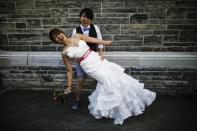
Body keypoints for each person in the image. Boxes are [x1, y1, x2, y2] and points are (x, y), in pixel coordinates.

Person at [49, 28, 156, 125]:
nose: (58, 37)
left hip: (95, 58)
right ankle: (117, 110)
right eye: (56, 38)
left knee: (115, 77)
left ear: (61, 32)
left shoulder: (77, 35)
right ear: (56, 42)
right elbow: (69, 70)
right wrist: (68, 86)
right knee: (108, 81)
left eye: (58, 34)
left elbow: (92, 39)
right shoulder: (64, 52)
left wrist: (105, 42)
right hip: (88, 66)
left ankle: (128, 104)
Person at [71, 8, 104, 110]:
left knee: (96, 79)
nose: (85, 19)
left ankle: (98, 99)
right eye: (83, 16)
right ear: (80, 17)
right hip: (80, 60)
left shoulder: (95, 28)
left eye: (88, 17)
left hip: (93, 58)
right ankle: (76, 100)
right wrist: (75, 58)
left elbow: (100, 41)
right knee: (80, 80)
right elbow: (73, 46)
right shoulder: (76, 30)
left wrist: (101, 55)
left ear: (91, 19)